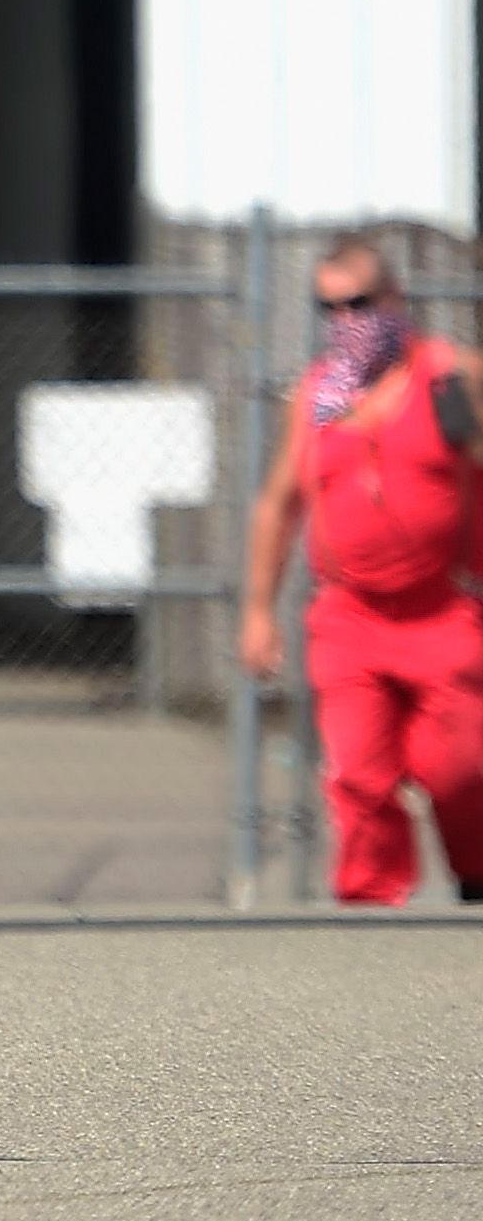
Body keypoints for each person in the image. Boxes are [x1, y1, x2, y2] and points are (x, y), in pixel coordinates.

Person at [239, 235, 483, 903]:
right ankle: (369, 911)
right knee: (357, 774)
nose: (346, 319)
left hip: (442, 612)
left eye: (360, 303)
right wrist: (258, 610)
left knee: (459, 769)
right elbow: (280, 503)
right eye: (330, 306)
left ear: (395, 299)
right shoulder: (320, 394)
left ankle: (477, 871)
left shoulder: (451, 375)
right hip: (350, 616)